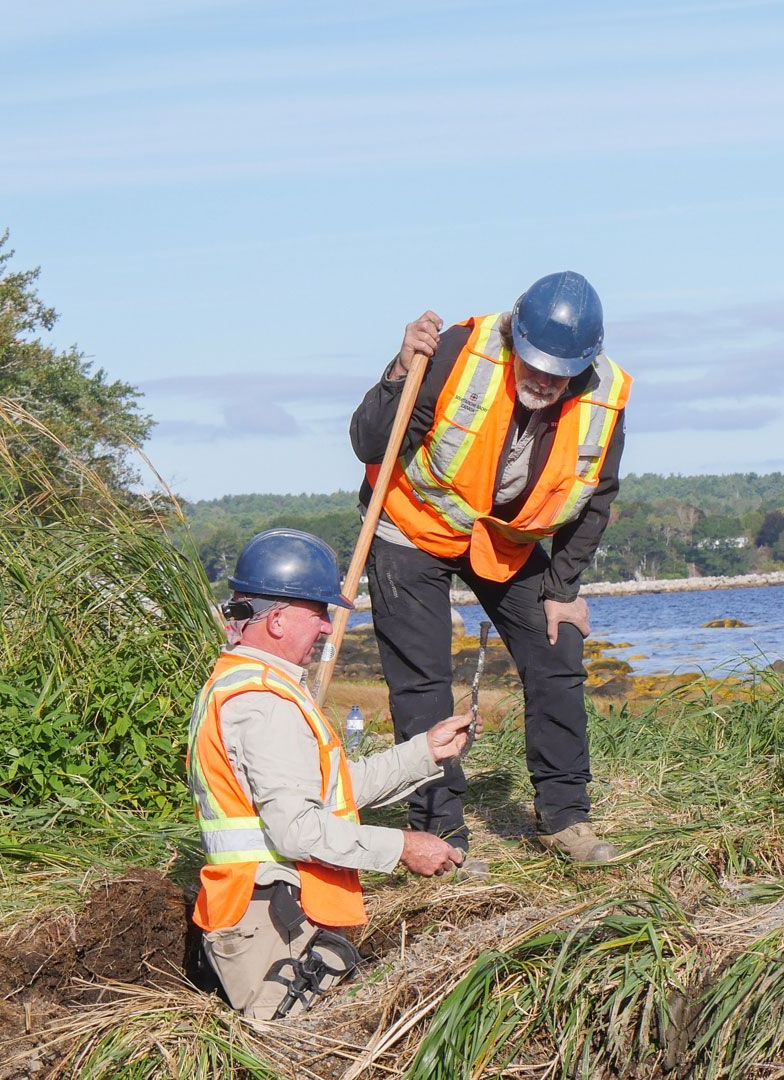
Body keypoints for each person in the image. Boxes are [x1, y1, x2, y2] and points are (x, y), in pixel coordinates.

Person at [349, 271, 629, 866]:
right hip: (411, 528)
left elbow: (595, 496)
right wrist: (399, 373)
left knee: (558, 651)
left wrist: (562, 588)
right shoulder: (457, 351)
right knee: (423, 684)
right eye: (533, 363)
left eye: (558, 372)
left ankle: (564, 818)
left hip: (502, 542)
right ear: (514, 336)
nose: (543, 380)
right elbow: (370, 443)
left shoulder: (606, 397)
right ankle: (441, 836)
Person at [188, 528, 476, 1019]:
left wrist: (424, 752)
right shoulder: (264, 702)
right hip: (268, 923)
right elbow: (297, 829)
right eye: (319, 612)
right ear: (276, 621)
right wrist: (402, 846)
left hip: (271, 912)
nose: (326, 627)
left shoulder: (247, 685)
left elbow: (330, 791)